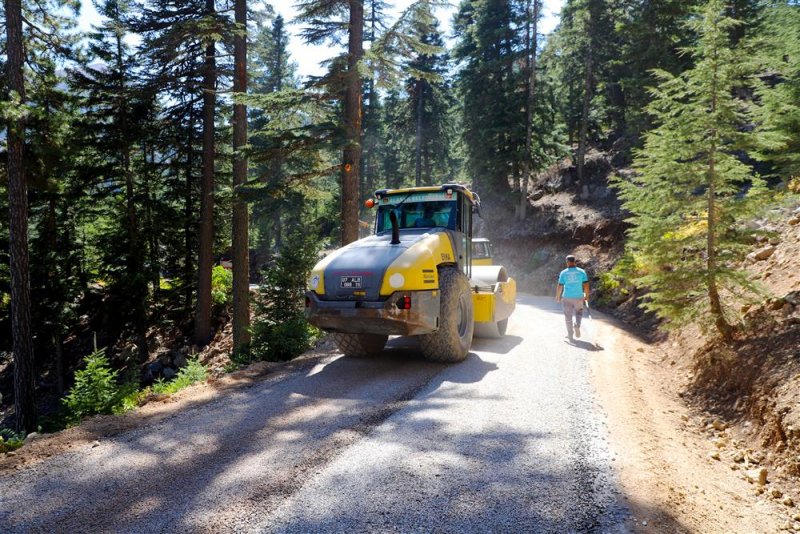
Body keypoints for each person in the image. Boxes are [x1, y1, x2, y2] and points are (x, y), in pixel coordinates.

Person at [555, 254, 590, 341]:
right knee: (579, 313)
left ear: (567, 262)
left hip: (566, 297)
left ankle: (570, 334)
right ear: (575, 262)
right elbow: (586, 285)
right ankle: (577, 325)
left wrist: (558, 296)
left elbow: (560, 286)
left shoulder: (563, 272)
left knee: (568, 317)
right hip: (578, 297)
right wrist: (587, 295)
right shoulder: (582, 272)